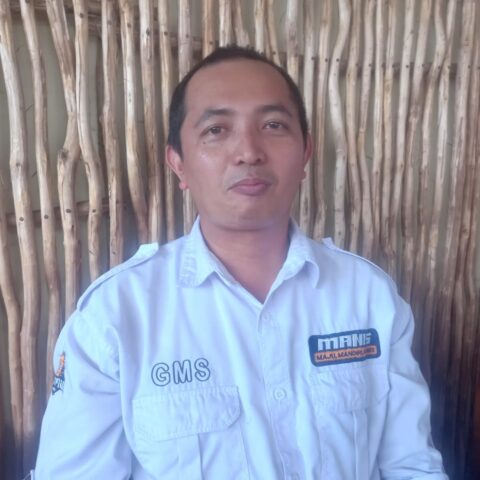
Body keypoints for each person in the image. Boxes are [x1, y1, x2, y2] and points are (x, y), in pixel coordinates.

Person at [33, 45, 447, 479]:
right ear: (179, 164)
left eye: (273, 125)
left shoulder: (368, 296)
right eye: (216, 130)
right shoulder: (115, 317)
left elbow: (411, 466)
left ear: (306, 153)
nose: (249, 151)